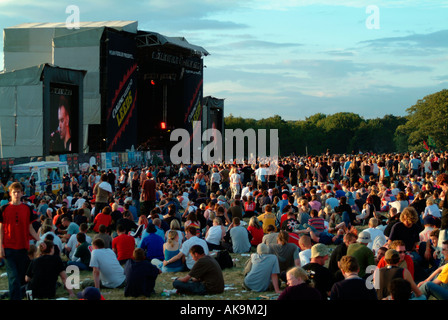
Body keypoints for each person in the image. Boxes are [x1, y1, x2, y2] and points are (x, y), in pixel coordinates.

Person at [0, 182, 40, 300]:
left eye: (18, 192)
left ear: (22, 193)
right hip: (8, 246)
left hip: (23, 247)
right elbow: (1, 229)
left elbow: (30, 228)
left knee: (21, 276)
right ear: (10, 194)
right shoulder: (4, 209)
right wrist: (0, 247)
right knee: (13, 277)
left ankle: (19, 296)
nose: (16, 194)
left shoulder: (27, 208)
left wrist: (40, 240)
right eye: (14, 192)